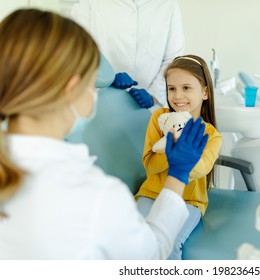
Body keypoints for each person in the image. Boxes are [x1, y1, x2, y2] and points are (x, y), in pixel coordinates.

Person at [0, 9, 208, 260]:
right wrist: (178, 174)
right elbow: (150, 258)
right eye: (93, 83)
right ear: (71, 89)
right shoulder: (95, 196)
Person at [135, 55, 223, 260]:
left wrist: (181, 154)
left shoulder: (211, 135)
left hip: (189, 200)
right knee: (139, 240)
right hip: (151, 193)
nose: (177, 95)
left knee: (170, 244)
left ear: (205, 92)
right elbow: (149, 165)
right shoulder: (159, 119)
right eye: (171, 88)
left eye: (186, 88)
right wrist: (172, 153)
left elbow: (201, 169)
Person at [70, 0, 185, 110]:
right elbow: (77, 48)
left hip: (151, 108)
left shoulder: (168, 4)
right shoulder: (88, 2)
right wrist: (105, 78)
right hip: (99, 102)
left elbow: (173, 59)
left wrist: (153, 95)